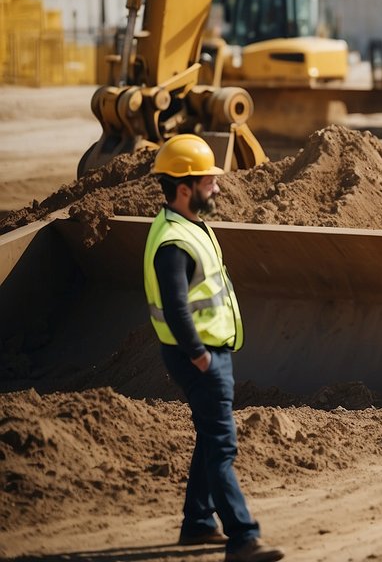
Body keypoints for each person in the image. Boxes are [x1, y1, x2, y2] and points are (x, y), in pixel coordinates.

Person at [144, 134, 285, 562]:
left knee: (209, 440)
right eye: (210, 183)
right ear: (184, 189)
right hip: (198, 354)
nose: (218, 188)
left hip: (208, 350)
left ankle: (198, 523)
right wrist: (199, 355)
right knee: (222, 446)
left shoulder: (188, 225)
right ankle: (242, 538)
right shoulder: (173, 242)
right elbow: (175, 307)